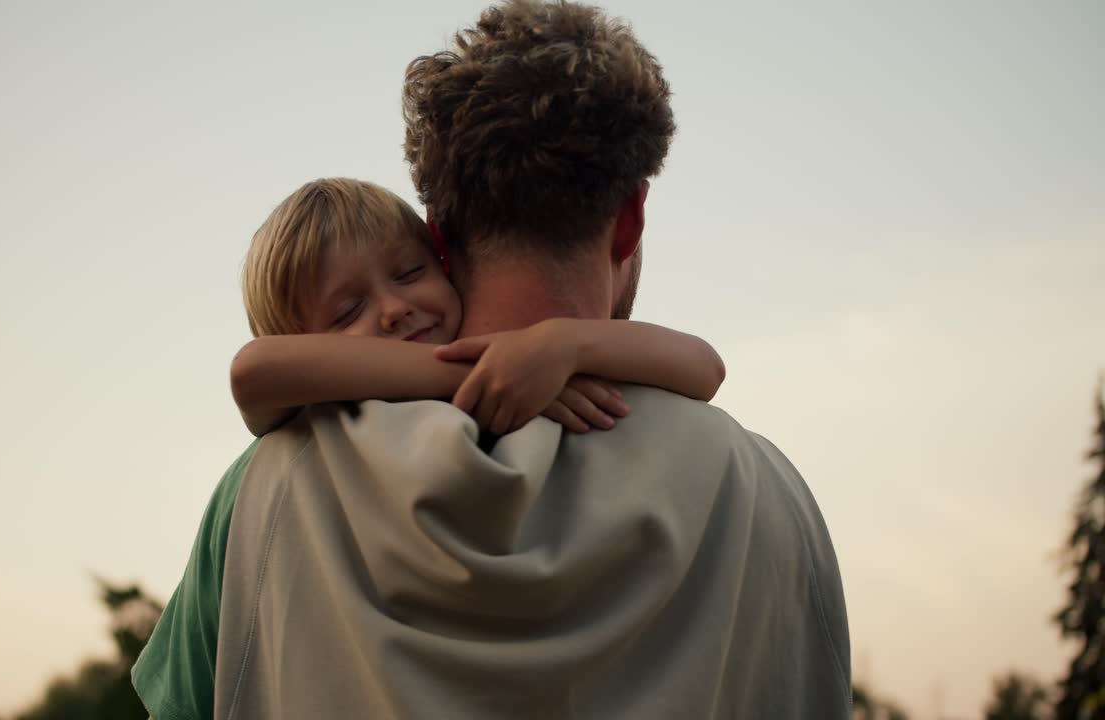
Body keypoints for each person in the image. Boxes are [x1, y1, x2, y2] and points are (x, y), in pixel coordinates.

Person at [135, 1, 850, 718]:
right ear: (631, 216)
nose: (388, 310)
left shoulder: (264, 491)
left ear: (439, 236)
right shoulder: (772, 498)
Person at [228, 176, 726, 438]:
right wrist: (473, 376)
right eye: (346, 311)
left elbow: (705, 367)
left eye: (409, 274)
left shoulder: (530, 358)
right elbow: (253, 369)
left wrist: (560, 346)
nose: (393, 308)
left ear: (443, 260)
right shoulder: (312, 416)